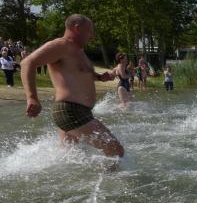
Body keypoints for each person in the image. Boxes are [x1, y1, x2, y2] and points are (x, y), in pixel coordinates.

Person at [21, 14, 124, 162]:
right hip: (71, 111)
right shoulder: (61, 45)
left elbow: (80, 73)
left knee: (69, 160)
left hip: (77, 111)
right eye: (89, 31)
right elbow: (27, 63)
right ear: (77, 28)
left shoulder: (78, 51)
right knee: (115, 151)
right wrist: (32, 97)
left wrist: (100, 77)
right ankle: (113, 177)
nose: (92, 36)